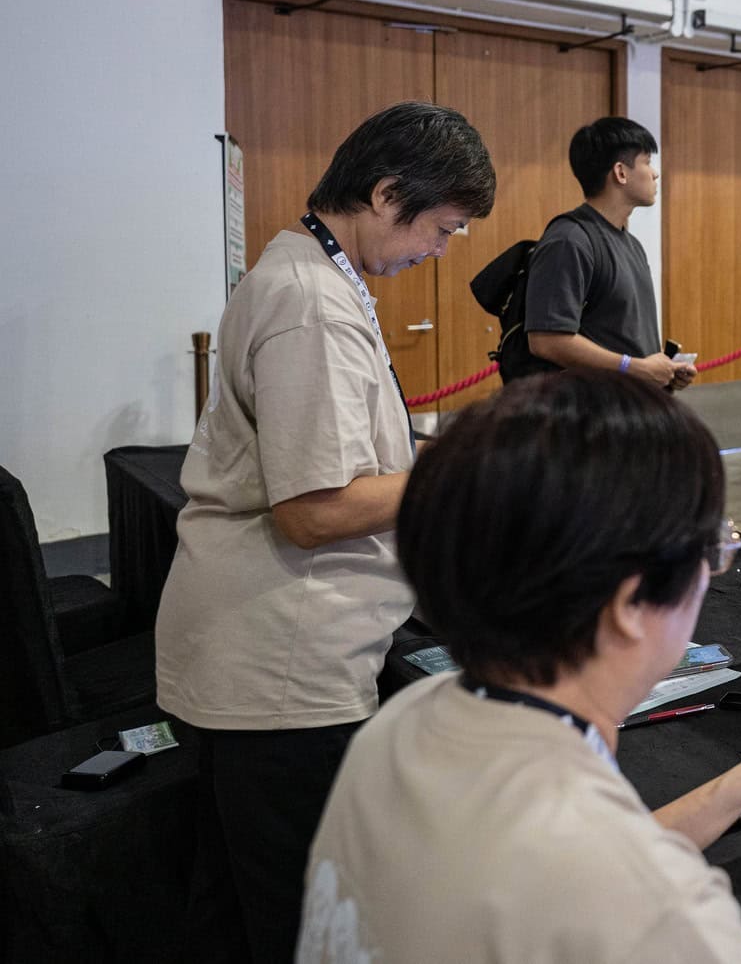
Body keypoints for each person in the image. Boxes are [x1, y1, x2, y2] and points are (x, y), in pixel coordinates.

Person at [297, 373, 741, 962]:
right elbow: (610, 881)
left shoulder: (399, 726)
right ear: (630, 603)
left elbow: (580, 870)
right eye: (714, 551)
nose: (719, 571)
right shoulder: (660, 911)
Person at [155, 102, 496, 959]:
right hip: (283, 665)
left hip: (273, 648)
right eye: (443, 228)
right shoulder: (310, 300)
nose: (439, 251)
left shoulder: (312, 269)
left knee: (238, 902)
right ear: (386, 193)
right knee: (300, 914)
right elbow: (314, 510)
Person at [523, 116, 693, 388]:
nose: (655, 173)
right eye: (647, 162)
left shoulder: (631, 244)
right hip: (591, 416)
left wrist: (660, 372)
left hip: (631, 408)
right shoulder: (569, 240)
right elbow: (546, 340)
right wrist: (633, 368)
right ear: (621, 172)